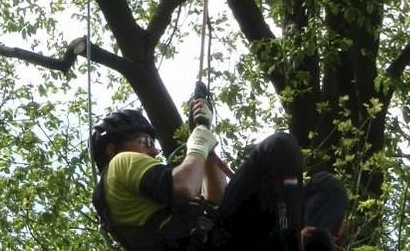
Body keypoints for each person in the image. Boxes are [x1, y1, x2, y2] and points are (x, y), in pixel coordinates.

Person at [89, 100, 347, 251]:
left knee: (325, 186)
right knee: (280, 146)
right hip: (213, 242)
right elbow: (182, 186)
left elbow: (215, 198)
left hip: (222, 238)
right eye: (144, 140)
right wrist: (197, 146)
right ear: (112, 148)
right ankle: (292, 240)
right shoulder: (120, 163)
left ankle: (311, 239)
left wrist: (205, 137)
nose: (153, 149)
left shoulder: (136, 204)